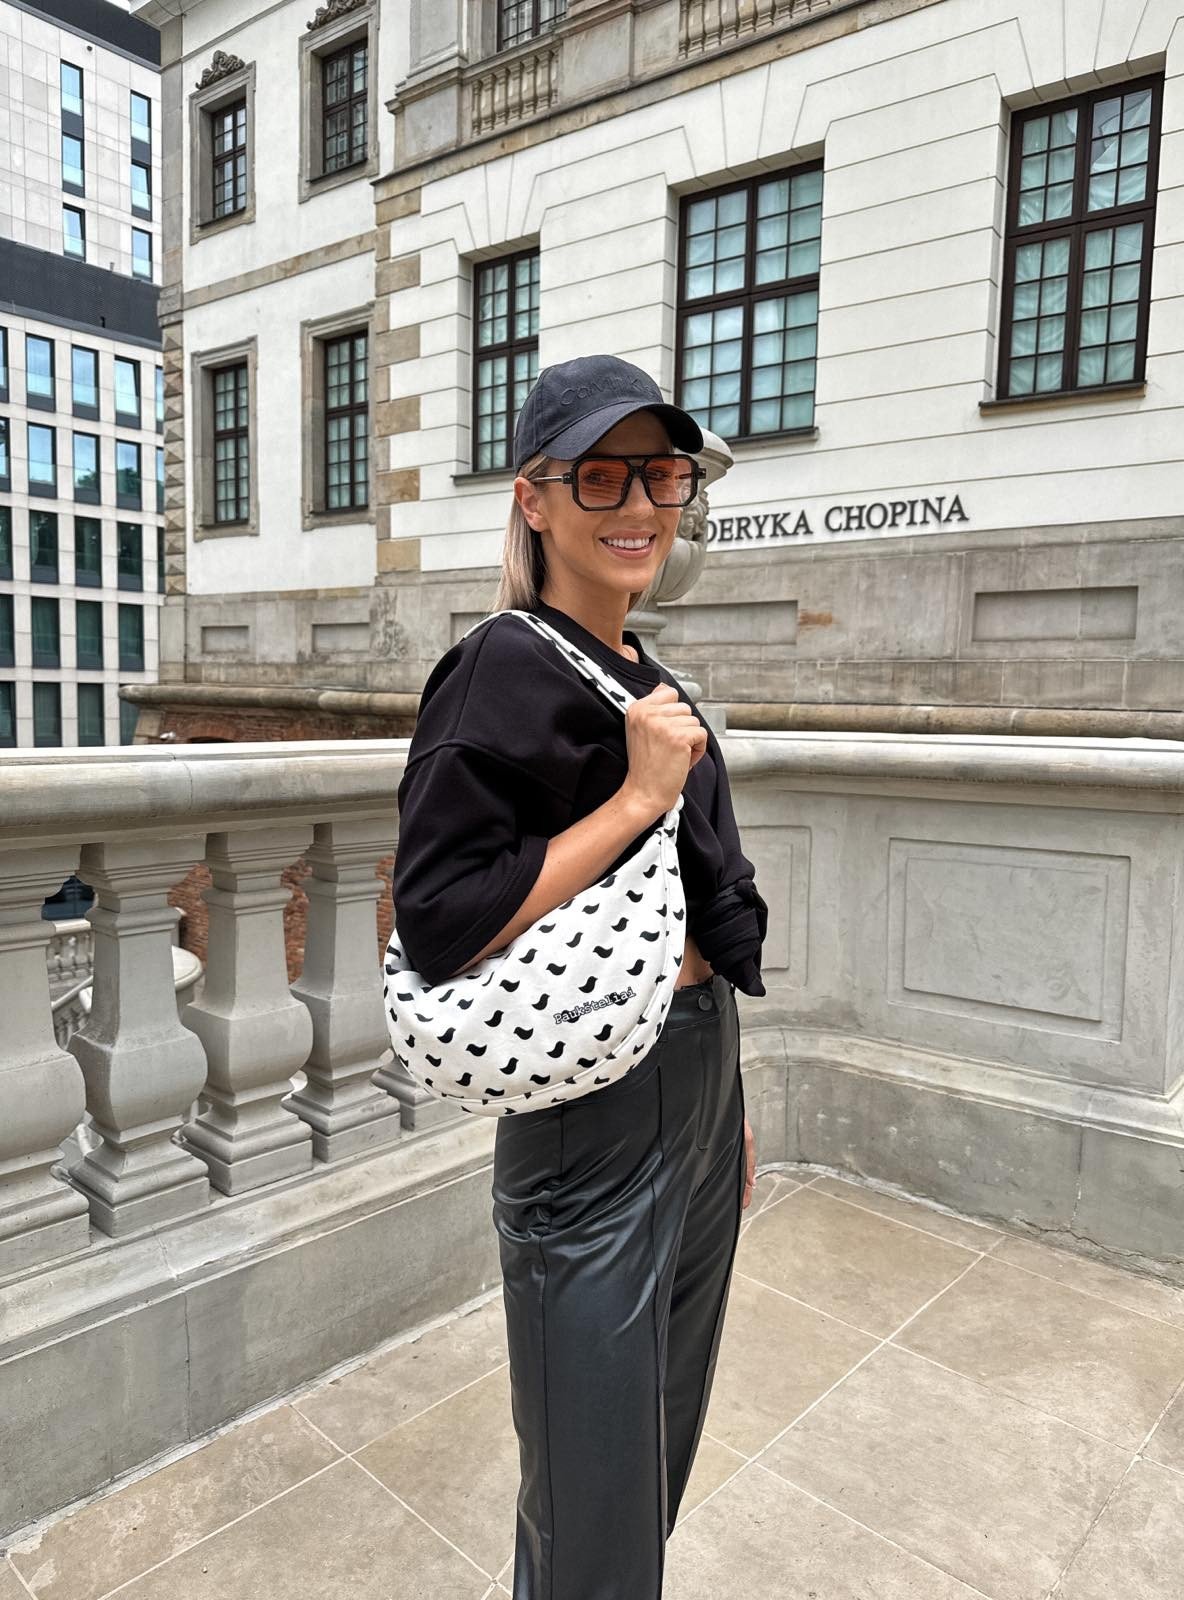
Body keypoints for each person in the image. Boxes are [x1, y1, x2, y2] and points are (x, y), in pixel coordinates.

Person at [391, 354, 768, 1599]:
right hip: (591, 1113)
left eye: (658, 473)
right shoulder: (501, 666)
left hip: (696, 1081)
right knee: (593, 1505)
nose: (639, 504)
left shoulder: (639, 668)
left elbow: (693, 905)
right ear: (534, 499)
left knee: (645, 1471)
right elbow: (442, 917)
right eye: (599, 475)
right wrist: (640, 795)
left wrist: (733, 1105)